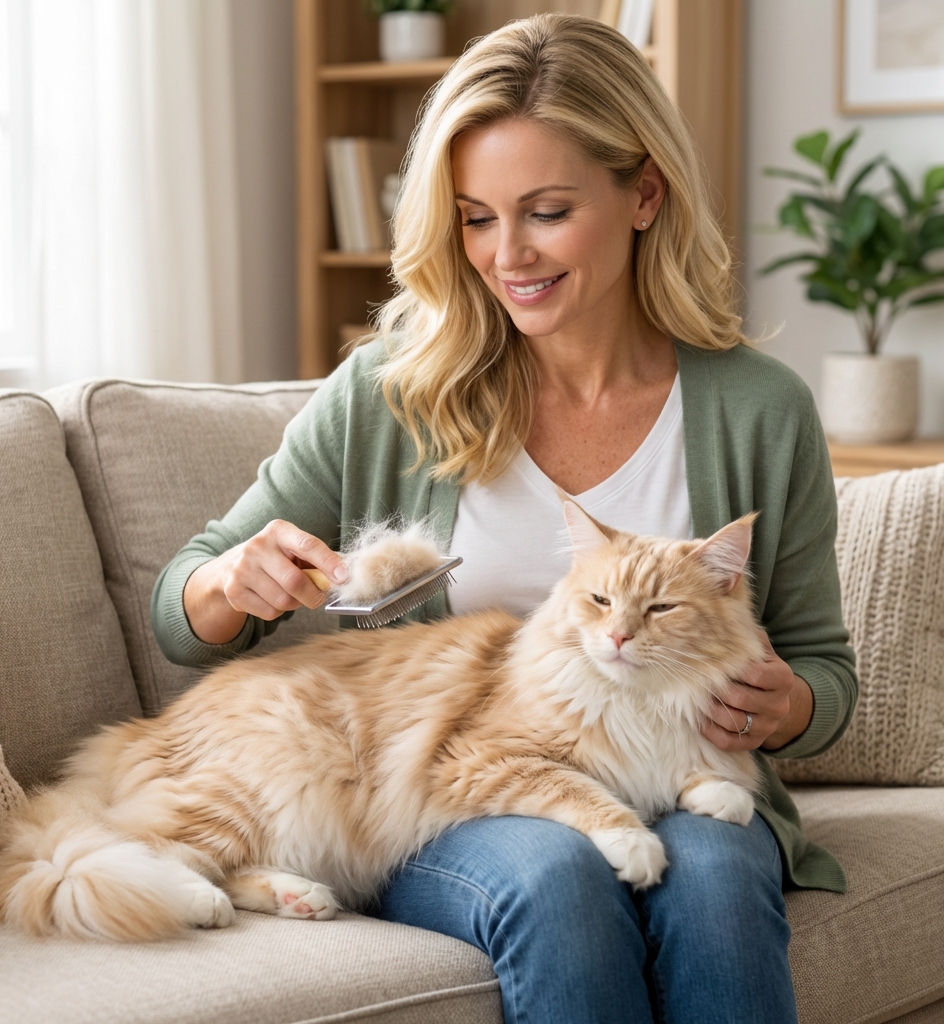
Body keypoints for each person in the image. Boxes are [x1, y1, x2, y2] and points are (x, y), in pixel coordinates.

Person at [152, 14, 856, 1024]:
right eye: (476, 217)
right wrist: (228, 583)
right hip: (458, 796)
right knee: (559, 879)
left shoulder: (758, 408)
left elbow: (825, 668)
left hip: (675, 771)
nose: (506, 253)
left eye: (547, 210)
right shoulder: (390, 392)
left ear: (643, 193)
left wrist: (788, 707)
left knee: (714, 879)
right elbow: (180, 608)